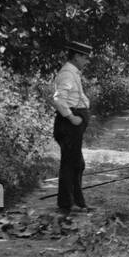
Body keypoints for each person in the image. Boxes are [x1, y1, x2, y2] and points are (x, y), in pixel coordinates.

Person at [50, 41, 93, 216]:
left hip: (73, 126)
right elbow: (59, 99)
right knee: (71, 164)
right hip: (69, 126)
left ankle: (74, 201)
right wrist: (72, 117)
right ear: (76, 56)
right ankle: (68, 203)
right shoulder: (67, 74)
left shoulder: (72, 72)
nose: (87, 61)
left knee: (76, 164)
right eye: (85, 58)